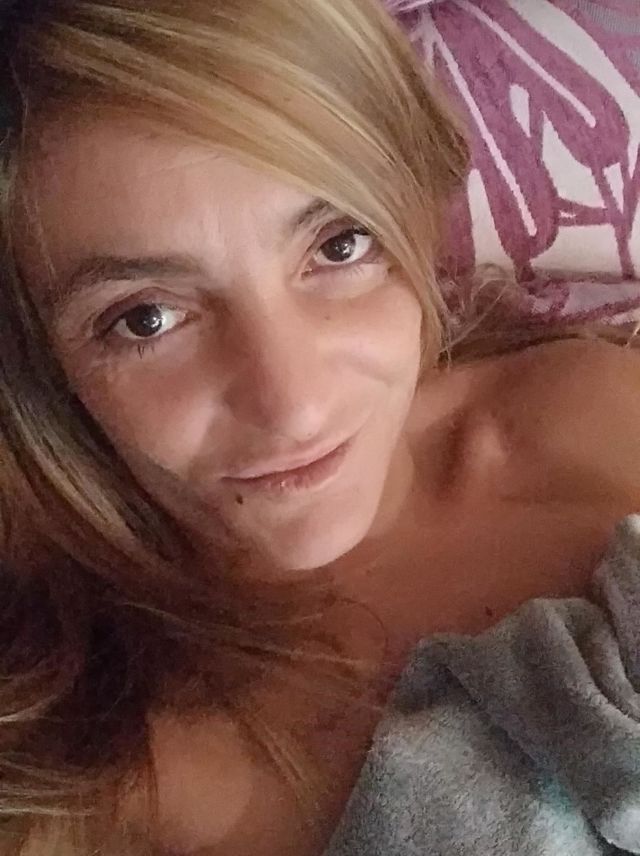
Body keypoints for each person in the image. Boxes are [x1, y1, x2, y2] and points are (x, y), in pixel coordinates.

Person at [2, 0, 640, 854]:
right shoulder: (72, 772)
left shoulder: (590, 411)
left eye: (340, 246)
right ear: (39, 363)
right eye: (146, 318)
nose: (294, 405)